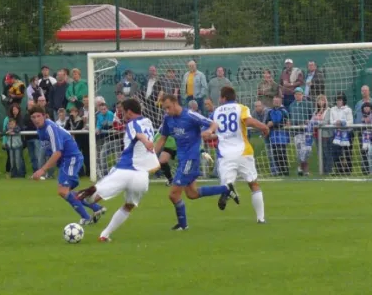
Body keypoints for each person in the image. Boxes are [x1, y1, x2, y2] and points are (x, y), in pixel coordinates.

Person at [76, 99, 160, 242]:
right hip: (142, 177)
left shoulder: (132, 123)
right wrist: (148, 143)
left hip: (125, 170)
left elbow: (139, 135)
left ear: (128, 111)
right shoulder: (149, 122)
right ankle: (105, 234)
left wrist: (146, 142)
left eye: (122, 112)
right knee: (129, 206)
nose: (122, 115)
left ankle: (89, 194)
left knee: (90, 198)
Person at [154, 94, 238, 231]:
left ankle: (183, 225)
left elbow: (213, 124)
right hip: (182, 159)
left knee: (173, 194)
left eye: (168, 107)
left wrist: (209, 131)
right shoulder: (168, 118)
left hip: (191, 159)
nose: (167, 111)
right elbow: (162, 139)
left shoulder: (190, 115)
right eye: (165, 109)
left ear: (176, 103)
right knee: (192, 194)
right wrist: (151, 156)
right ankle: (226, 189)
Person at [30, 105, 104, 225]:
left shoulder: (50, 128)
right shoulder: (40, 129)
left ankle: (86, 218)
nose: (36, 119)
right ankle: (96, 208)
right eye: (33, 117)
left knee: (63, 191)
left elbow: (57, 152)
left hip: (71, 159)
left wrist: (42, 170)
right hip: (65, 161)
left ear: (44, 116)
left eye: (38, 116)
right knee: (65, 192)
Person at [212, 86, 270, 222]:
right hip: (243, 151)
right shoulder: (241, 108)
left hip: (225, 154)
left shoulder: (216, 112)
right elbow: (248, 121)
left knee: (226, 184)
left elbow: (210, 129)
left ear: (223, 98)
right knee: (253, 184)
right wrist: (263, 126)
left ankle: (228, 190)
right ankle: (261, 219)